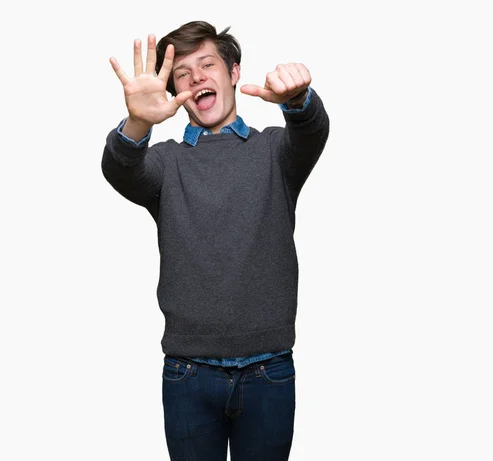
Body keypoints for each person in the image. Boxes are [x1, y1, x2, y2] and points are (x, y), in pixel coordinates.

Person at [101, 20, 329, 461]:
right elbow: (121, 170)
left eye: (207, 65)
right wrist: (136, 122)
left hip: (269, 370)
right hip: (188, 373)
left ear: (234, 73)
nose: (196, 78)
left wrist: (299, 99)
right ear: (174, 93)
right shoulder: (165, 164)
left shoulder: (275, 152)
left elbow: (311, 132)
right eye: (182, 74)